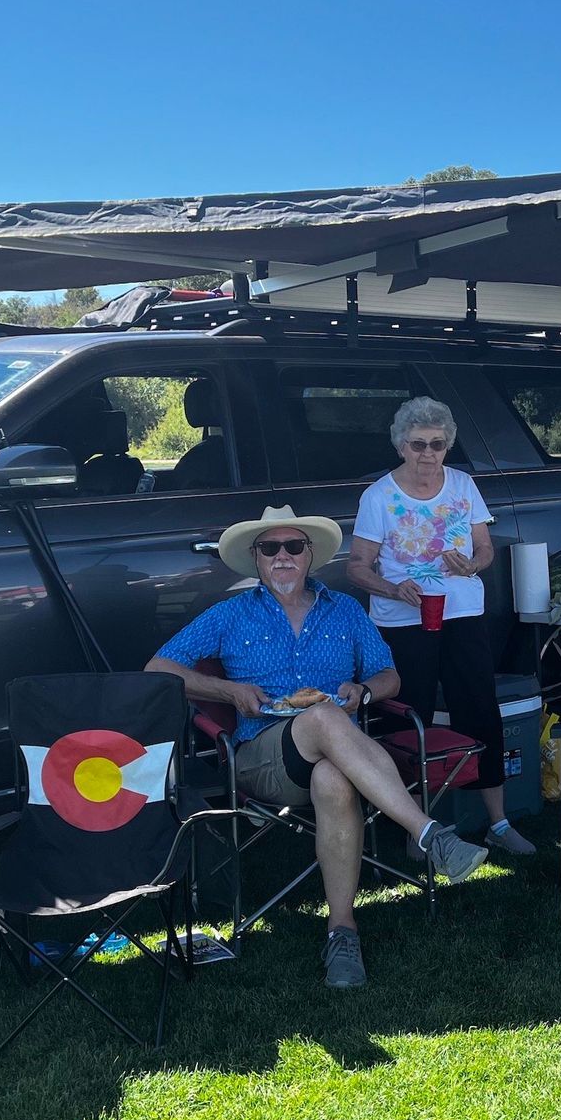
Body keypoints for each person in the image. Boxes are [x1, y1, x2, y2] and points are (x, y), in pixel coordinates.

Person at [147, 504, 488, 991]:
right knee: (324, 716)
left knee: (332, 773)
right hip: (260, 758)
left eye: (293, 547)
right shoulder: (229, 613)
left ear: (310, 556)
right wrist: (228, 692)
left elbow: (389, 676)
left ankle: (342, 934)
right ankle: (427, 832)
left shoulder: (345, 610)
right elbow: (158, 670)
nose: (282, 556)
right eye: (270, 548)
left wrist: (365, 692)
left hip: (339, 760)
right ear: (257, 559)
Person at [348, 397, 530, 856]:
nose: (428, 454)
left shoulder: (464, 485)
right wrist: (394, 589)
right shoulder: (379, 496)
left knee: (479, 710)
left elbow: (485, 550)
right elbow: (357, 567)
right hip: (403, 619)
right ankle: (417, 827)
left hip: (463, 614)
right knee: (411, 714)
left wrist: (471, 565)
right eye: (418, 445)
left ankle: (498, 821)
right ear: (401, 445)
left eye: (437, 444)